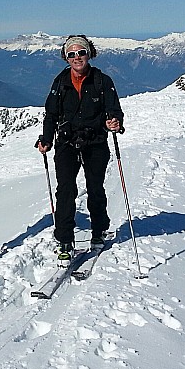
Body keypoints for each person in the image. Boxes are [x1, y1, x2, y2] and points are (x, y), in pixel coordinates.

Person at [36, 35, 124, 259]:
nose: (77, 58)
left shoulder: (102, 81)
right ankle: (65, 239)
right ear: (66, 58)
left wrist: (114, 121)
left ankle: (99, 230)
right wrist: (46, 139)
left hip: (95, 141)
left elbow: (115, 110)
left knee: (95, 187)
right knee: (65, 190)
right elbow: (51, 114)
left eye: (81, 52)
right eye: (72, 54)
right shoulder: (60, 82)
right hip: (66, 142)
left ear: (89, 54)